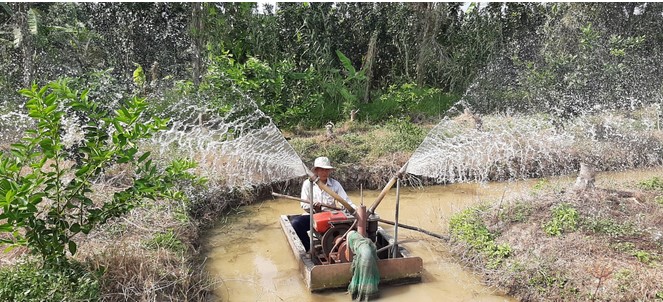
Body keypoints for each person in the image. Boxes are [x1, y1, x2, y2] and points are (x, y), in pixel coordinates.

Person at [291, 156, 356, 251]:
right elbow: (304, 205)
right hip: (314, 216)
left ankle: (348, 246)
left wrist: (356, 210)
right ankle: (309, 248)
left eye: (327, 170)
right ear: (316, 171)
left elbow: (346, 202)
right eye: (322, 170)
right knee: (295, 223)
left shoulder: (335, 184)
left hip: (331, 217)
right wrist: (314, 207)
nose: (325, 173)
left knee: (354, 224)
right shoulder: (307, 184)